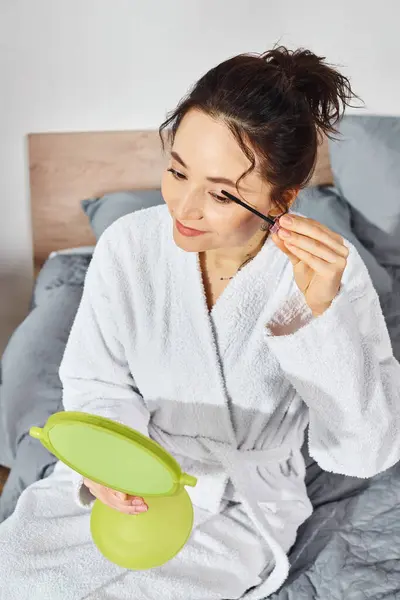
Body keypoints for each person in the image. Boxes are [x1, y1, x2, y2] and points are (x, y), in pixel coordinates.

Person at [0, 46, 399, 600]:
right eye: (176, 171)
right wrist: (109, 468)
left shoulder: (326, 274)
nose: (184, 208)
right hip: (128, 463)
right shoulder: (126, 244)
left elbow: (361, 453)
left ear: (282, 198)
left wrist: (320, 317)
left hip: (242, 501)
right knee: (15, 574)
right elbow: (97, 382)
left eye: (221, 193)